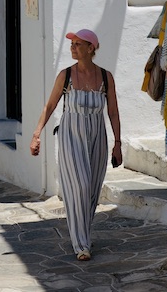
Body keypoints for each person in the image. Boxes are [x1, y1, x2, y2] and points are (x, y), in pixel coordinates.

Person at [30, 28, 121, 262]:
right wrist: (37, 134)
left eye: (78, 44)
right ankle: (80, 243)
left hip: (97, 137)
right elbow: (49, 107)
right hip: (71, 135)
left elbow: (112, 112)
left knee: (91, 189)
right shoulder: (66, 75)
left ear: (91, 48)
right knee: (78, 185)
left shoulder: (105, 77)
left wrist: (117, 143)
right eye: (72, 44)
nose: (72, 47)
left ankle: (84, 235)